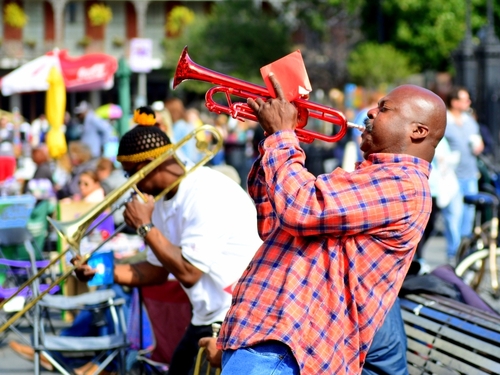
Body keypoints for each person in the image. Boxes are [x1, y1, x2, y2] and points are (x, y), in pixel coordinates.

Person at [199, 78, 447, 374]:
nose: (369, 113)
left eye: (384, 109)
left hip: (288, 349)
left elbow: (301, 209)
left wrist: (282, 136)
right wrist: (273, 140)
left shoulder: (402, 184)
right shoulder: (367, 176)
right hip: (268, 339)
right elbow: (274, 223)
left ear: (417, 131)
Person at [72, 106, 262, 375]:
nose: (129, 184)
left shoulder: (205, 192)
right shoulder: (161, 203)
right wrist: (100, 272)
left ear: (151, 165)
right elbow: (158, 271)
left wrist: (144, 226)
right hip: (207, 316)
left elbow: (189, 272)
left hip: (237, 315)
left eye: (130, 174)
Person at [444, 87, 484, 241]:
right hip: (452, 175)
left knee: (469, 215)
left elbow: (478, 140)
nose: (469, 102)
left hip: (470, 174)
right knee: (454, 216)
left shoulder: (470, 121)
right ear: (454, 102)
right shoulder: (445, 121)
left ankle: (464, 252)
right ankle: (454, 253)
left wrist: (479, 147)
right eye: (464, 99)